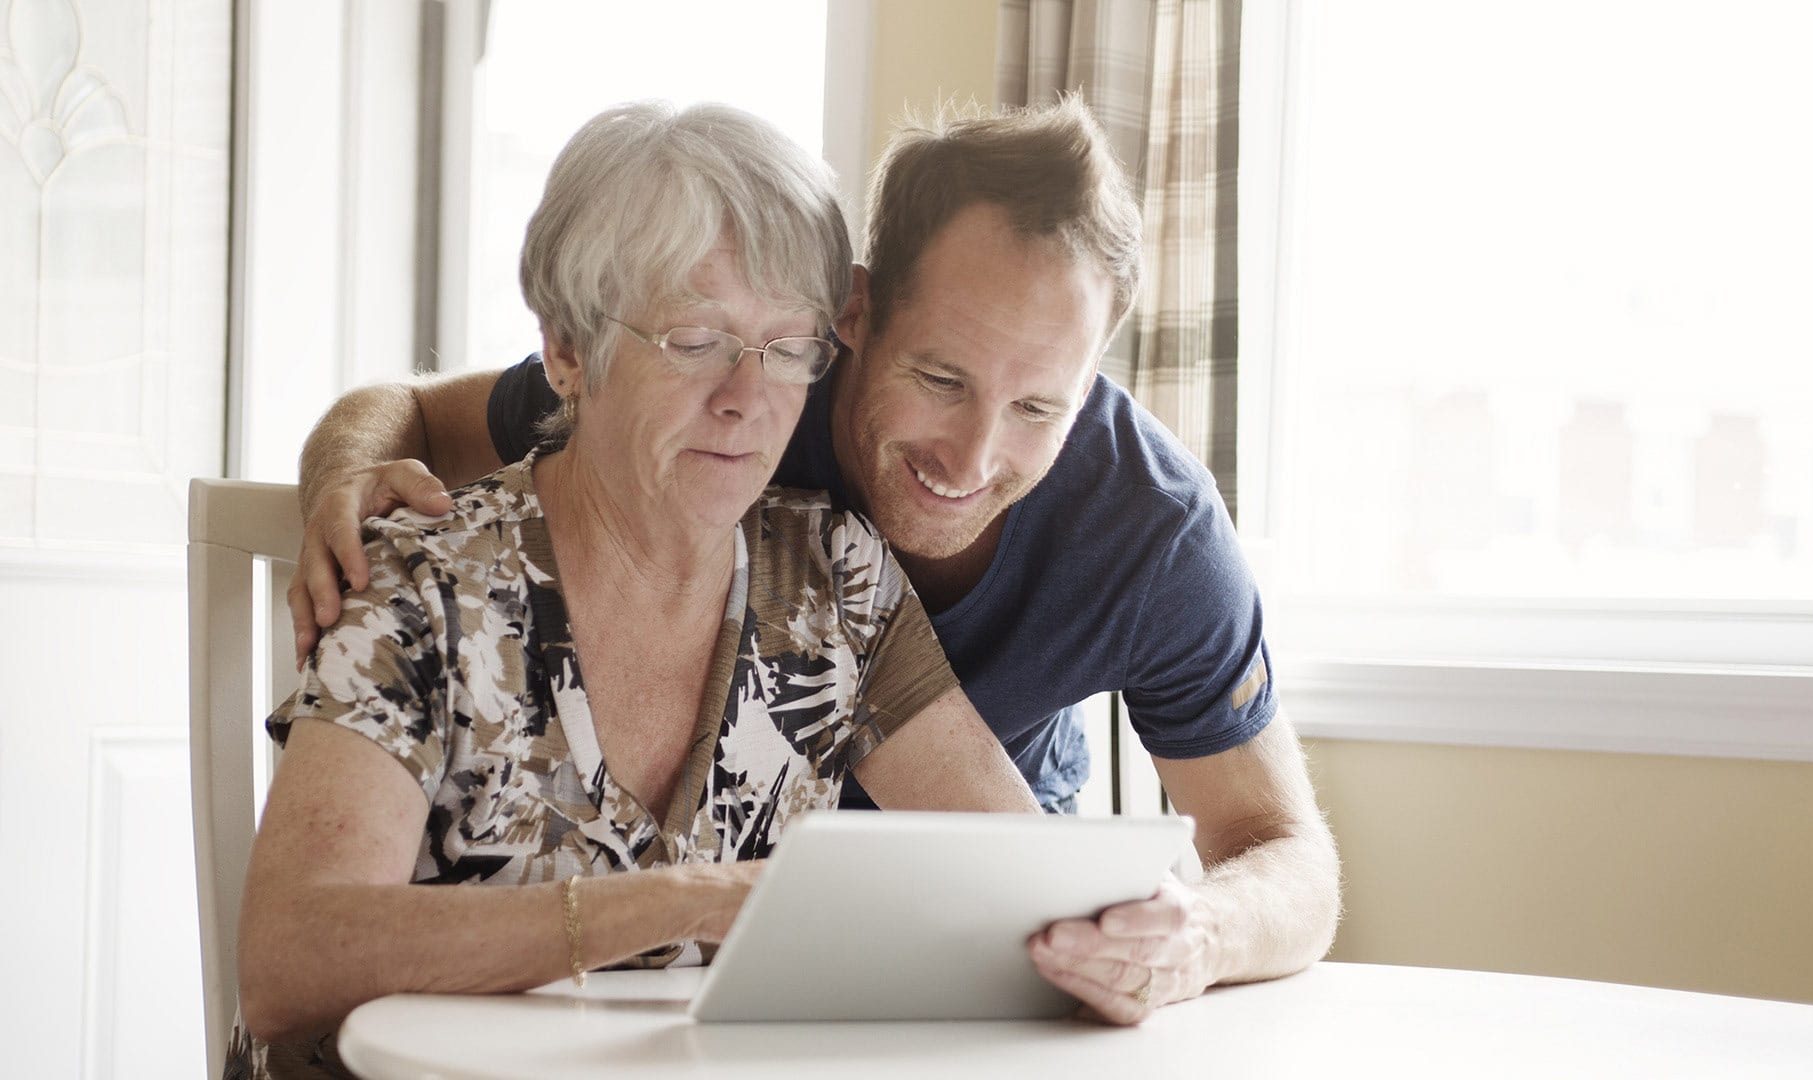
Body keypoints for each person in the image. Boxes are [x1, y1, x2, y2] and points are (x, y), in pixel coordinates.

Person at [292, 97, 1341, 1024]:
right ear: (855, 316)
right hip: (658, 971)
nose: (973, 459)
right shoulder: (703, 418)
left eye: (1037, 408)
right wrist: (344, 485)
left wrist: (1184, 937)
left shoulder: (1121, 533)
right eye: (938, 376)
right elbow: (415, 412)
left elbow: (1267, 855)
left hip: (924, 946)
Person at [235, 101, 1039, 1077]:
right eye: (697, 339)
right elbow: (290, 964)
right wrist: (689, 901)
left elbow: (1019, 876)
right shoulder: (424, 579)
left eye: (790, 346)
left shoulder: (834, 576)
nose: (749, 396)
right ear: (568, 350)